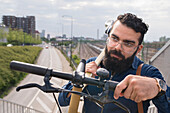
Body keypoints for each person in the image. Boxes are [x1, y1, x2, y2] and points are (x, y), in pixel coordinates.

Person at [58, 13, 169, 113]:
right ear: (108, 38)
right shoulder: (92, 64)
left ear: (138, 49)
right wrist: (80, 79)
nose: (117, 47)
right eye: (114, 39)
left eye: (128, 44)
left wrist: (158, 88)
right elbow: (62, 100)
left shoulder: (146, 73)